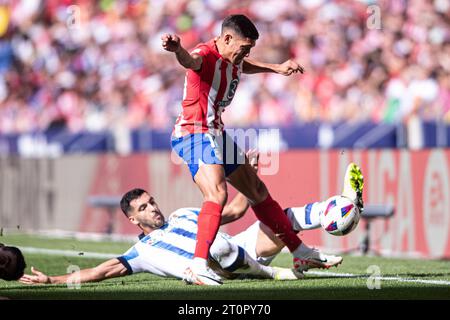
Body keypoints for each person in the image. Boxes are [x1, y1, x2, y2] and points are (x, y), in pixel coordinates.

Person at [162, 14, 364, 285]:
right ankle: (197, 265)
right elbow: (191, 62)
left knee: (257, 192)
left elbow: (243, 65)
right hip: (193, 133)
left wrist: (276, 68)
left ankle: (300, 252)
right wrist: (178, 50)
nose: (246, 53)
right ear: (227, 38)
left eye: (250, 48)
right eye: (244, 47)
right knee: (218, 194)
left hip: (216, 133)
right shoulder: (204, 54)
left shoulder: (232, 57)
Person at [19, 161, 364, 286]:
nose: (153, 208)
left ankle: (344, 206)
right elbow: (99, 272)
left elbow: (234, 211)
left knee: (284, 219)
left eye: (152, 201)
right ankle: (276, 273)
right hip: (222, 263)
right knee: (215, 245)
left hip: (241, 248)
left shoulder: (184, 214)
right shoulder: (141, 252)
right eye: (144, 207)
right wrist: (53, 278)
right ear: (132, 219)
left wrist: (250, 177)